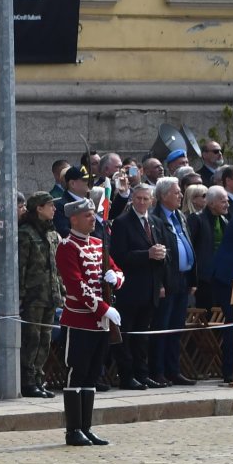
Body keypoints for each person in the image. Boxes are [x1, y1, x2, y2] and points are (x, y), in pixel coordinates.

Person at [57, 196, 119, 447]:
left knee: (92, 374)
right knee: (77, 373)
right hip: (80, 320)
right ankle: (73, 431)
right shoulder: (67, 246)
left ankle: (86, 427)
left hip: (100, 323)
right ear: (73, 219)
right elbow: (76, 285)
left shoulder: (97, 243)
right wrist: (103, 309)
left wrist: (116, 278)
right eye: (87, 215)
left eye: (93, 214)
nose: (92, 218)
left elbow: (117, 270)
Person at [109, 182, 167, 389]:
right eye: (139, 198)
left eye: (146, 199)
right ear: (133, 200)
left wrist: (161, 259)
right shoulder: (123, 223)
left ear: (152, 201)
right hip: (130, 289)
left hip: (150, 288)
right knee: (127, 335)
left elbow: (161, 249)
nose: (142, 202)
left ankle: (143, 374)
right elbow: (118, 256)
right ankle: (127, 376)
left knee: (143, 337)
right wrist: (147, 255)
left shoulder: (156, 222)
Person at [153, 179, 197, 385]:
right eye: (176, 193)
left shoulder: (180, 216)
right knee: (163, 327)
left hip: (183, 279)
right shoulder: (156, 217)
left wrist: (192, 278)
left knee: (176, 328)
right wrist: (160, 283)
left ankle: (174, 370)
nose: (181, 196)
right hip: (167, 281)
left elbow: (187, 243)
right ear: (163, 196)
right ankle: (158, 370)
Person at [18, 191, 60, 398]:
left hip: (50, 294)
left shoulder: (52, 233)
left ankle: (38, 378)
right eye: (49, 205)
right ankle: (27, 381)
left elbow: (56, 265)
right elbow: (21, 266)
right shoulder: (26, 233)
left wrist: (61, 290)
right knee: (31, 340)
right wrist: (20, 295)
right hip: (33, 295)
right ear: (39, 208)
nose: (53, 209)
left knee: (45, 339)